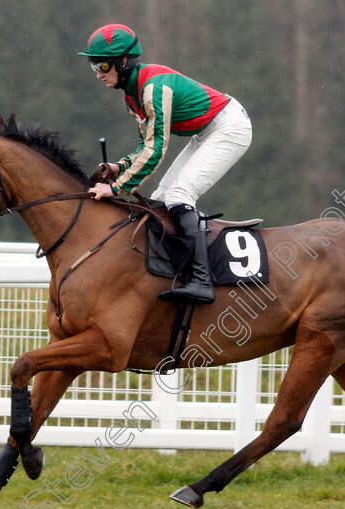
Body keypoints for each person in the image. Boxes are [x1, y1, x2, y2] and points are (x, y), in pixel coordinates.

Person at [79, 24, 252, 304]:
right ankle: (175, 272)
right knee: (160, 199)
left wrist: (117, 188)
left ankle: (201, 281)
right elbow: (145, 145)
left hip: (230, 127)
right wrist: (119, 167)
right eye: (93, 67)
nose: (98, 74)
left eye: (103, 65)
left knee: (179, 195)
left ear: (123, 62)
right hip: (207, 130)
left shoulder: (152, 89)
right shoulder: (131, 94)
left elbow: (156, 149)